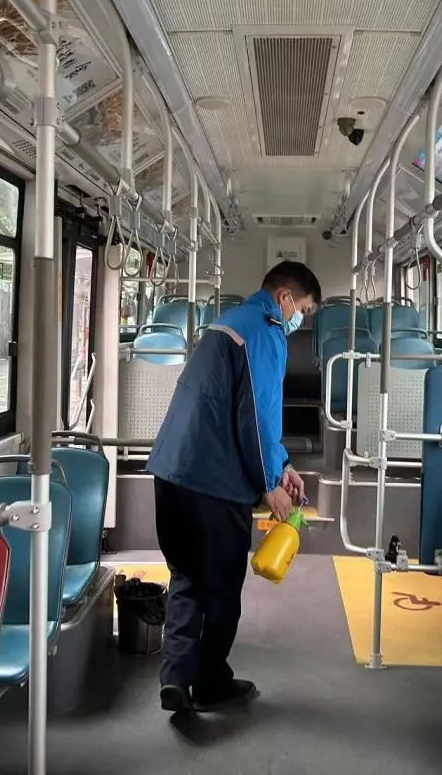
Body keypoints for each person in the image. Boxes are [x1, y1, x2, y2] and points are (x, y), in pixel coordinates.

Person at [146, 260, 321, 713]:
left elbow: (234, 408)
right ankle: (210, 683)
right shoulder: (266, 331)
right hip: (214, 482)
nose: (299, 321)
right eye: (302, 310)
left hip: (171, 471)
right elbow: (256, 417)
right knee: (222, 586)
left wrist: (282, 466)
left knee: (186, 576)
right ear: (284, 298)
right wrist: (268, 486)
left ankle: (175, 678)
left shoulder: (228, 324)